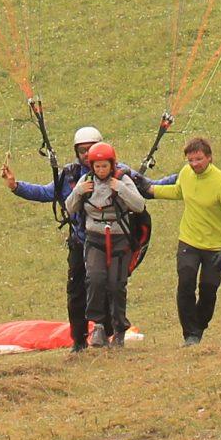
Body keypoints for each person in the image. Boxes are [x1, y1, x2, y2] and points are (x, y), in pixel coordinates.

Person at [1, 124, 112, 351]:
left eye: (90, 150)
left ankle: (107, 334)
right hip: (80, 241)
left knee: (104, 287)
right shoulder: (70, 175)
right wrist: (15, 186)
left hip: (105, 242)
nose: (86, 155)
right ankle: (79, 341)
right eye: (82, 151)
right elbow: (46, 193)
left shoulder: (112, 170)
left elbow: (145, 186)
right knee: (76, 291)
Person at [61, 143, 152, 348]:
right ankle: (99, 326)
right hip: (95, 239)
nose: (101, 171)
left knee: (115, 285)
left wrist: (120, 189)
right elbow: (70, 207)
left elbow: (138, 205)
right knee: (94, 279)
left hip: (120, 240)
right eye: (97, 167)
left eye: (104, 166)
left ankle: (119, 329)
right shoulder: (85, 181)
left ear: (111, 165)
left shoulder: (122, 180)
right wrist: (78, 192)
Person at [162, 136, 221, 346]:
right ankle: (190, 334)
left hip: (215, 246)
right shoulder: (186, 174)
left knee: (208, 290)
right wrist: (149, 191)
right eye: (190, 160)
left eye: (199, 159)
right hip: (188, 241)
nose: (195, 164)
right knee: (186, 283)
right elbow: (178, 191)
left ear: (209, 157)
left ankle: (198, 327)